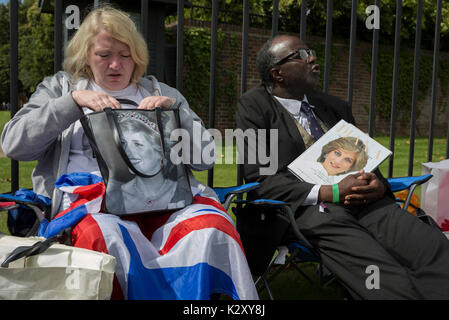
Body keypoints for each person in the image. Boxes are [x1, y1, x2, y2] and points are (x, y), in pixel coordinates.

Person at [1, 6, 257, 300]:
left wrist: (178, 116)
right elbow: (14, 144)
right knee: (103, 235)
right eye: (104, 55)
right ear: (86, 56)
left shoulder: (162, 93)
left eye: (125, 56)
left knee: (212, 226)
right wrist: (72, 102)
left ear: (137, 57)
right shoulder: (61, 88)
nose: (115, 65)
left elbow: (204, 158)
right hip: (93, 205)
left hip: (166, 202)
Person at [236, 34, 449, 299]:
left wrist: (376, 183)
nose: (312, 58)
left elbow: (364, 159)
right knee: (378, 269)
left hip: (364, 202)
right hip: (309, 210)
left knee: (430, 246)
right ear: (277, 73)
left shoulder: (334, 106)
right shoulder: (255, 108)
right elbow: (264, 181)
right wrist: (331, 192)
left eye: (310, 51)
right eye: (301, 55)